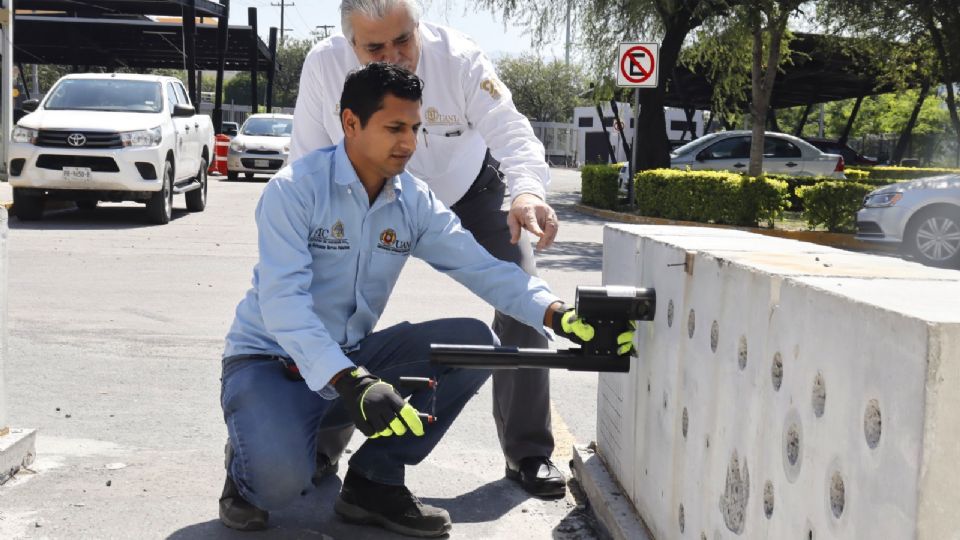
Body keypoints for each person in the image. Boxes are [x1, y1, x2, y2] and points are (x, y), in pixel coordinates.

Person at [218, 63, 617, 537]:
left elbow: (483, 268)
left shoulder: (413, 201)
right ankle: (244, 470)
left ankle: (373, 482)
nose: (409, 143)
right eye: (394, 128)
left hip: (349, 359)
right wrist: (353, 383)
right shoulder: (296, 191)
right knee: (280, 488)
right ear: (350, 123)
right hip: (270, 363)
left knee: (477, 342)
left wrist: (558, 314)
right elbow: (284, 305)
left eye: (414, 128)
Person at [290, 0, 567, 499]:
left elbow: (512, 131)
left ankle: (528, 451)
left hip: (468, 196)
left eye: (405, 41)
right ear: (350, 44)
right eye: (376, 47)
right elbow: (308, 159)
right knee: (326, 307)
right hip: (369, 198)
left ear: (419, 27)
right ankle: (319, 446)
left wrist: (526, 191)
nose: (396, 56)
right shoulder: (323, 67)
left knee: (522, 291)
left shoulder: (459, 58)